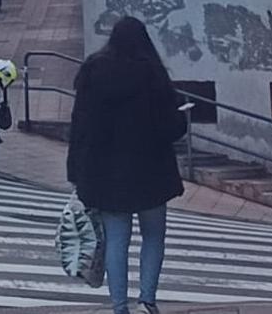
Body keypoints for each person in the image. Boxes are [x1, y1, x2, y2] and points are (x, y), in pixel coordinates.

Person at [66, 16, 187, 314]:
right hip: (150, 172)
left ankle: (119, 306)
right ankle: (147, 300)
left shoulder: (93, 72)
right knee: (154, 235)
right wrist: (181, 117)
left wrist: (75, 170)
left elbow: (79, 125)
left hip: (106, 174)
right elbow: (171, 127)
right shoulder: (153, 74)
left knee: (117, 240)